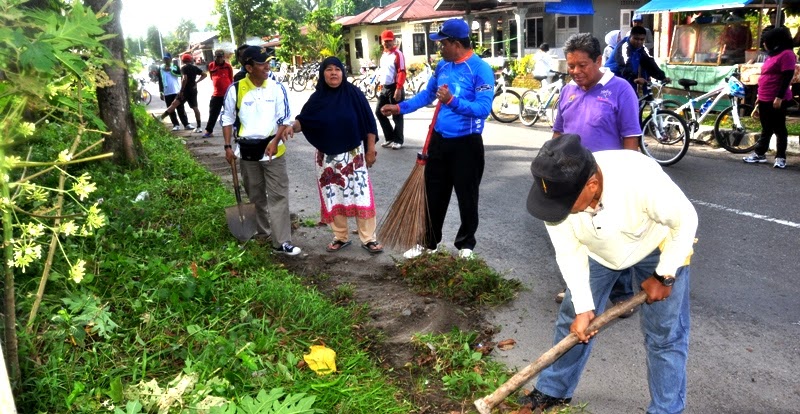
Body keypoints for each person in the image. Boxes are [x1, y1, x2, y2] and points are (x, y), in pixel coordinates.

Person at [523, 134, 698, 413]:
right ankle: (553, 391)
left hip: (657, 245)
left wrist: (665, 274)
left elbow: (686, 220)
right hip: (599, 252)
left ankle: (666, 409)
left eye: (566, 204)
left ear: (592, 185)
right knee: (572, 316)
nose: (558, 211)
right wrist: (583, 308)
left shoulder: (638, 176)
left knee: (665, 334)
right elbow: (569, 253)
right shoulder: (554, 196)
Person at [380, 18, 494, 260]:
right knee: (434, 194)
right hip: (439, 142)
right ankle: (428, 242)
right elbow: (426, 95)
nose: (439, 48)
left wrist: (452, 101)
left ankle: (466, 246)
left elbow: (483, 109)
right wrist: (399, 108)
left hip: (467, 143)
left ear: (455, 43)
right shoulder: (443, 66)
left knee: (467, 195)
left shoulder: (480, 69)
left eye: (442, 44)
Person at [551, 33, 642, 312]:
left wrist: (627, 177)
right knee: (577, 234)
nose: (576, 72)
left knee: (614, 235)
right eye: (570, 66)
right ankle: (577, 288)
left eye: (582, 65)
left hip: (609, 178)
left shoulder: (620, 89)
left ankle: (623, 294)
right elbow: (558, 133)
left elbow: (631, 138)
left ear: (599, 61)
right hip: (573, 178)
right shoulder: (568, 91)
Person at [288, 57, 384, 254]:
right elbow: (303, 121)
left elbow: (369, 123)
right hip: (328, 159)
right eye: (329, 70)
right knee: (334, 195)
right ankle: (340, 237)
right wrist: (291, 127)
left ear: (343, 72)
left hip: (354, 156)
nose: (333, 73)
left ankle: (368, 239)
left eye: (337, 69)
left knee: (361, 195)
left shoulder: (354, 94)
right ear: (323, 74)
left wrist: (371, 149)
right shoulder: (317, 98)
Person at [221, 45, 301, 256]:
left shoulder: (276, 88)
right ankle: (262, 232)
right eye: (262, 64)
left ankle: (281, 241)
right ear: (249, 67)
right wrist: (228, 146)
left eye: (268, 62)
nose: (267, 66)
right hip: (247, 151)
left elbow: (284, 118)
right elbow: (227, 119)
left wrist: (275, 141)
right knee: (255, 195)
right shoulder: (236, 89)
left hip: (274, 150)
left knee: (278, 196)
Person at [743, 27, 796, 169]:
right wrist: (759, 96)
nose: (764, 45)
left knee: (779, 128)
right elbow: (766, 76)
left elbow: (787, 77)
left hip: (777, 98)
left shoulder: (787, 55)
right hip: (765, 97)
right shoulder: (772, 55)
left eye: (766, 42)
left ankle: (780, 157)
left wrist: (779, 97)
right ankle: (760, 153)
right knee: (766, 127)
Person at [606, 26, 670, 95]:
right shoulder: (623, 47)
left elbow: (649, 63)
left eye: (642, 39)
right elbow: (624, 66)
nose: (639, 42)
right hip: (613, 79)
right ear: (630, 37)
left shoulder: (641, 49)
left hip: (628, 79)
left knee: (636, 101)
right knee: (629, 101)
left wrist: (662, 77)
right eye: (636, 39)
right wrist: (634, 78)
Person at [376, 30, 407, 150]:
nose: (387, 43)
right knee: (379, 112)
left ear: (393, 41)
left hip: (395, 87)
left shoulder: (398, 54)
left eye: (389, 41)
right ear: (382, 42)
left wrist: (398, 88)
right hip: (385, 87)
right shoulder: (383, 55)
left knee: (397, 114)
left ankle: (398, 140)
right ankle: (389, 137)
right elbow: (383, 72)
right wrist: (380, 85)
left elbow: (402, 71)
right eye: (385, 41)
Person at [156, 53, 191, 131]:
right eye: (165, 59)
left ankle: (186, 124)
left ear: (170, 59)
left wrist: (171, 70)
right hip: (167, 92)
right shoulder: (161, 68)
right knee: (171, 110)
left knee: (180, 108)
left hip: (176, 91)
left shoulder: (175, 67)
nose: (166, 60)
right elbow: (160, 81)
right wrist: (161, 92)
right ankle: (175, 124)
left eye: (167, 59)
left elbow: (180, 75)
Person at [203, 49, 234, 138]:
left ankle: (236, 130)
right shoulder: (211, 66)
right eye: (217, 57)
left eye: (221, 57)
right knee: (213, 113)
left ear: (223, 57)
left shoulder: (228, 66)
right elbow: (212, 78)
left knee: (231, 113)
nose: (219, 59)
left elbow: (231, 79)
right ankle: (209, 131)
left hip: (227, 94)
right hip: (217, 94)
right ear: (215, 56)